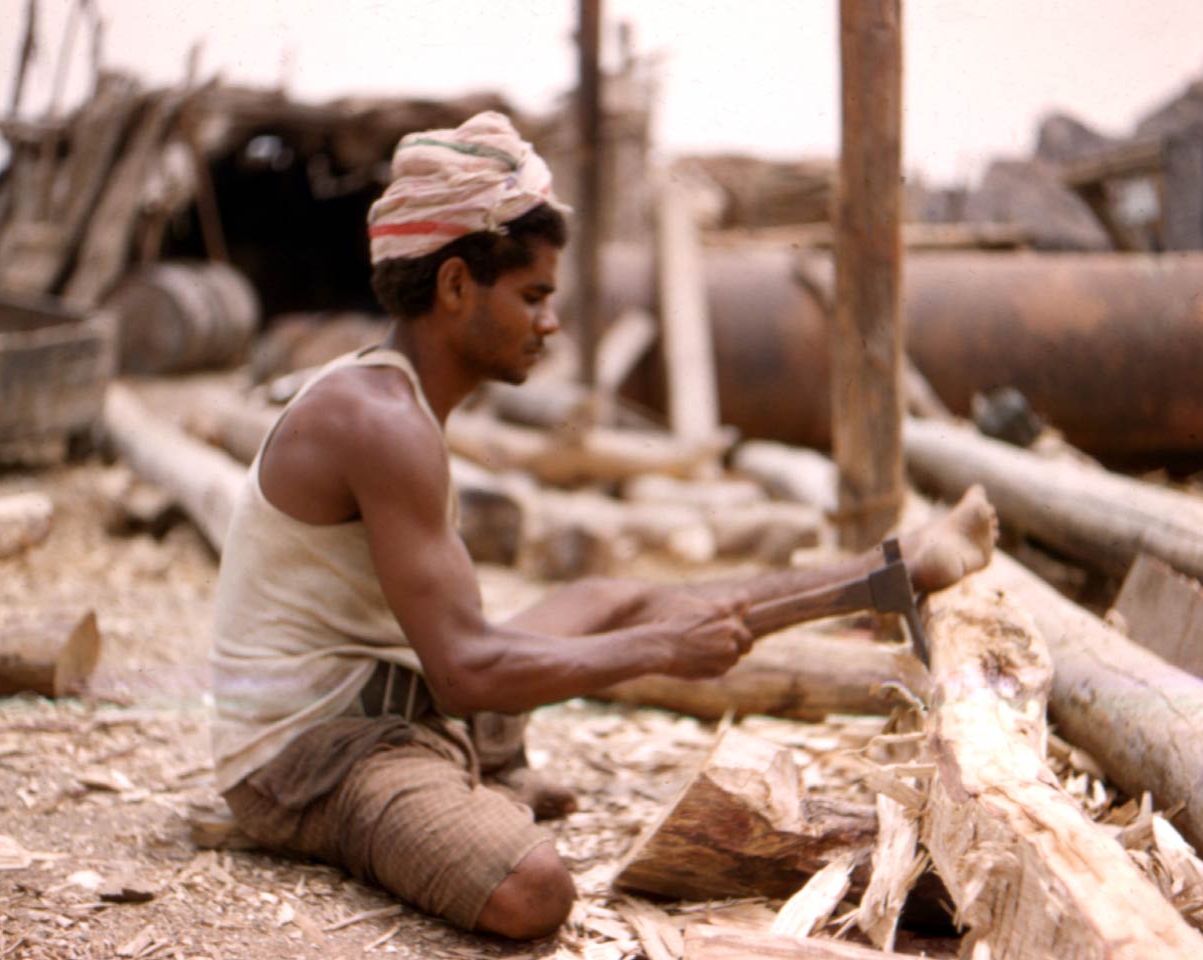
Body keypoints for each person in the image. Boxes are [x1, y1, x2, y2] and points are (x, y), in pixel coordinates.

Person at [210, 111, 998, 941]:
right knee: (531, 889)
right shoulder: (379, 419)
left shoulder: (394, 399)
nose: (548, 324)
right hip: (310, 755)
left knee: (602, 597)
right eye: (533, 297)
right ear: (455, 286)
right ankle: (475, 778)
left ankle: (886, 571)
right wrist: (657, 651)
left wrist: (650, 634)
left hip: (396, 697)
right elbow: (467, 673)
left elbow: (461, 651)